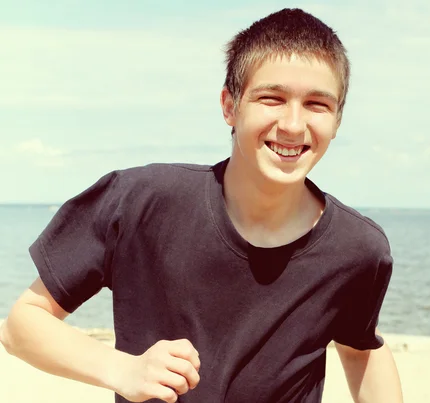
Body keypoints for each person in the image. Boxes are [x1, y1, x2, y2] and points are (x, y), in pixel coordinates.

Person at [0, 8, 403, 403]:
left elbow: (360, 346)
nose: (294, 125)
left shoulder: (359, 249)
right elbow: (22, 325)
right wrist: (123, 369)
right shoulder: (140, 202)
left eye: (318, 104)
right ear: (229, 105)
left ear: (337, 119)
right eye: (271, 98)